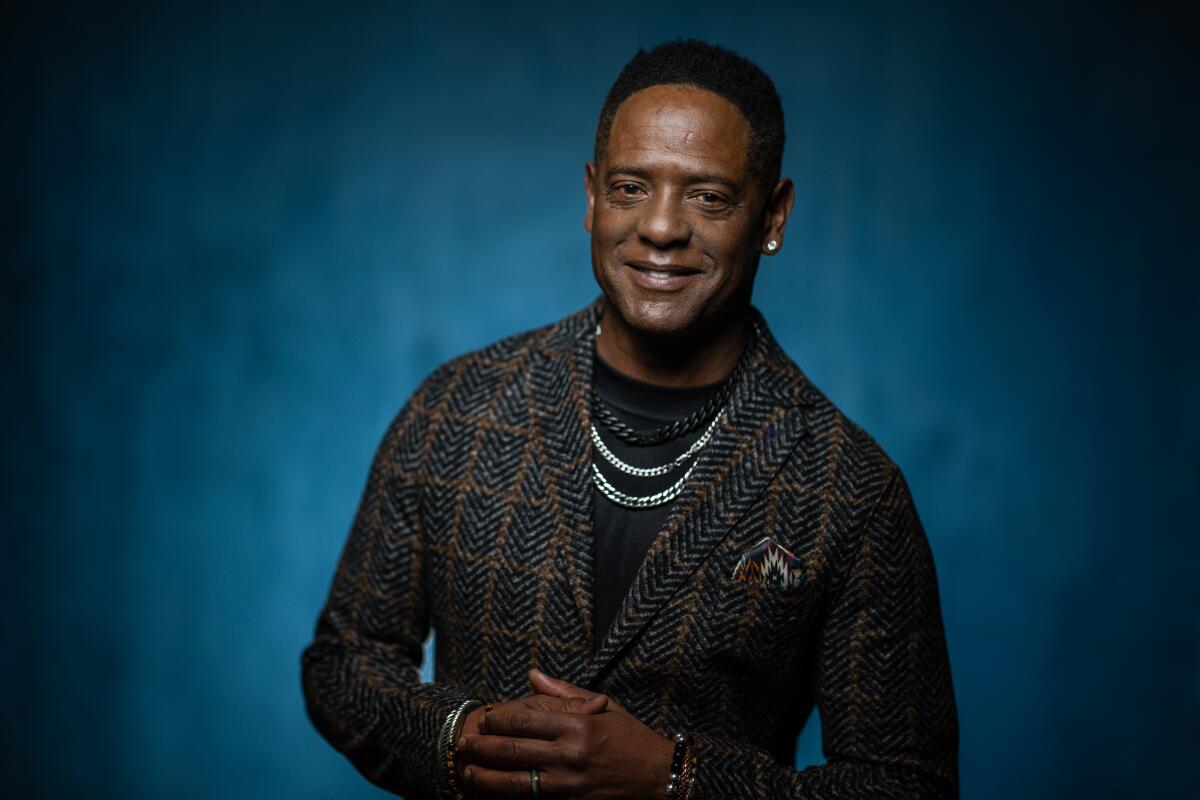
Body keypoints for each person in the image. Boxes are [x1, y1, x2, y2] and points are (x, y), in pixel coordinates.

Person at [301, 39, 959, 799]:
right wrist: (460, 738)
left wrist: (673, 778)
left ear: (772, 215)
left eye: (708, 197)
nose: (661, 228)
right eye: (630, 187)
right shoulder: (461, 406)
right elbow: (343, 663)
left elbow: (906, 785)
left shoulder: (850, 489)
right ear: (590, 197)